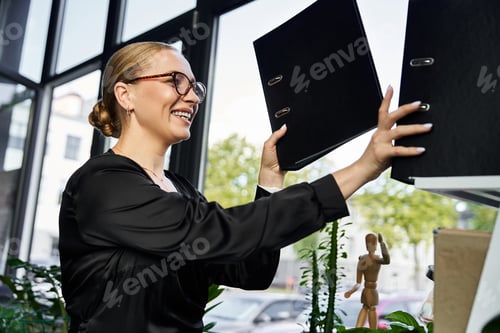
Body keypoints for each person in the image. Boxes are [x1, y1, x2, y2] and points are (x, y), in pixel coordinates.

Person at [58, 41, 432, 333]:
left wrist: (269, 179)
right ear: (126, 95)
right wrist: (363, 168)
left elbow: (249, 271)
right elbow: (225, 230)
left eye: (196, 88)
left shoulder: (182, 189)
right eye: (176, 81)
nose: (191, 96)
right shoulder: (101, 185)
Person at [344, 233, 391, 329]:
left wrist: (382, 244)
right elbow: (358, 282)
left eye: (374, 244)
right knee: (368, 308)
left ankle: (367, 329)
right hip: (367, 289)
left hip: (373, 289)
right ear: (366, 246)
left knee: (367, 308)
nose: (372, 247)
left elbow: (387, 260)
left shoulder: (377, 259)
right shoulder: (363, 260)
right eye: (370, 244)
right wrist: (351, 291)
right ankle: (364, 329)